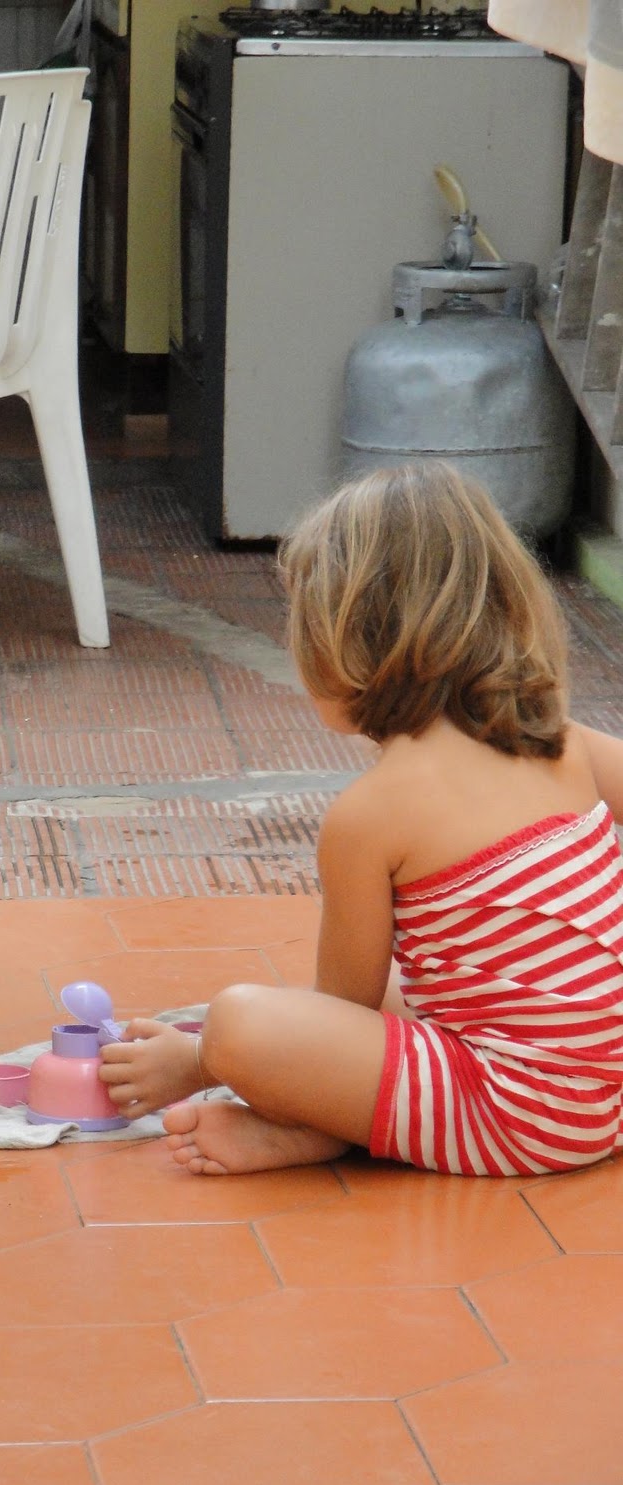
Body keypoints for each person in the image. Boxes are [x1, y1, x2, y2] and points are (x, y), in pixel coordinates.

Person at [99, 462, 623, 1177]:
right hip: (608, 1094)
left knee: (241, 1022)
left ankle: (318, 1126)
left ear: (351, 643)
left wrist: (197, 1059)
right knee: (418, 986)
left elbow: (342, 1010)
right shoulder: (560, 737)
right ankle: (342, 1127)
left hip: (517, 1119)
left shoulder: (370, 816)